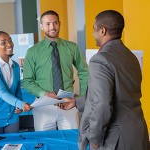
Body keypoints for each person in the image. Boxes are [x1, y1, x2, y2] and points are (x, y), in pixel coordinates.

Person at [60, 10, 150, 150]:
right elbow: (121, 95)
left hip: (115, 138)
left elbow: (102, 103)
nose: (93, 33)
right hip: (138, 134)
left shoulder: (100, 59)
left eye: (94, 29)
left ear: (102, 31)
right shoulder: (131, 56)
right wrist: (75, 102)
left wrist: (96, 136)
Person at [22, 10, 88, 131]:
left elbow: (85, 73)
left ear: (60, 24)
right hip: (43, 106)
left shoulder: (72, 47)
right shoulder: (32, 52)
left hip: (69, 104)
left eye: (55, 23)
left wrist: (80, 99)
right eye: (47, 24)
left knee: (72, 142)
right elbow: (27, 81)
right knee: (44, 143)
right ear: (41, 26)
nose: (52, 27)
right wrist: (45, 93)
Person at [0, 31, 33, 134]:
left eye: (10, 41)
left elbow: (17, 89)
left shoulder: (15, 66)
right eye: (3, 42)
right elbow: (2, 92)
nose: (9, 44)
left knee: (13, 146)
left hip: (12, 117)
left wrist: (19, 105)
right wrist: (21, 104)